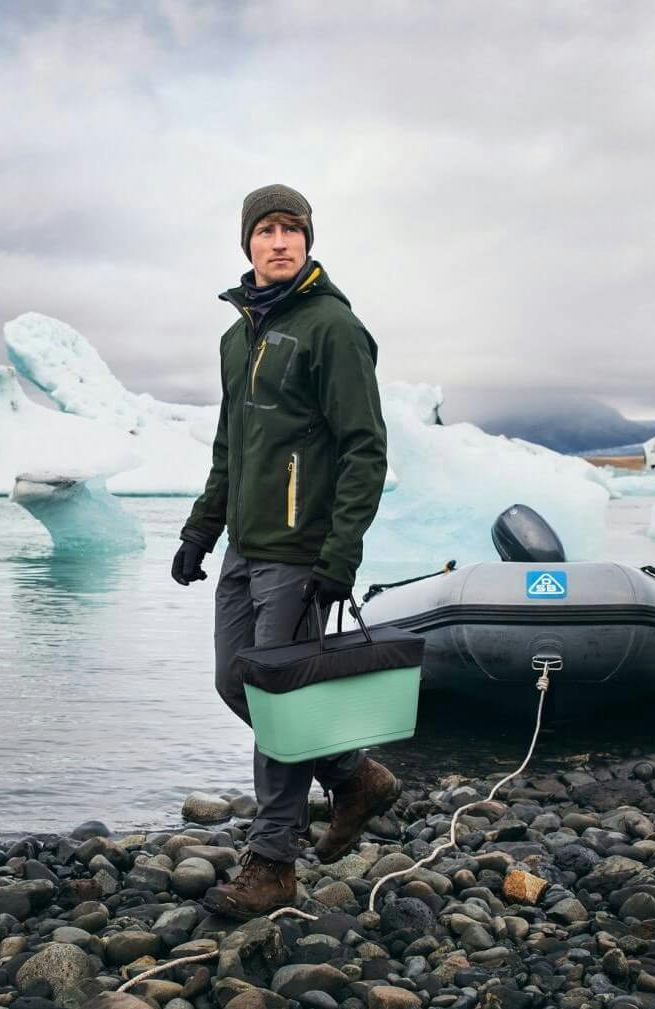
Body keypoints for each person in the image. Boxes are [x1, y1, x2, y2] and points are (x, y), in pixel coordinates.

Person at [171, 184, 400, 919]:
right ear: (248, 243)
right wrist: (201, 528)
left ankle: (272, 863)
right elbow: (229, 447)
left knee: (279, 696)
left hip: (300, 552)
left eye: (291, 230)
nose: (279, 242)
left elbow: (365, 449)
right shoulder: (237, 337)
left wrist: (339, 555)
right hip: (245, 546)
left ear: (307, 240)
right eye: (266, 230)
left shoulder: (332, 327)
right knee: (233, 681)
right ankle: (353, 774)